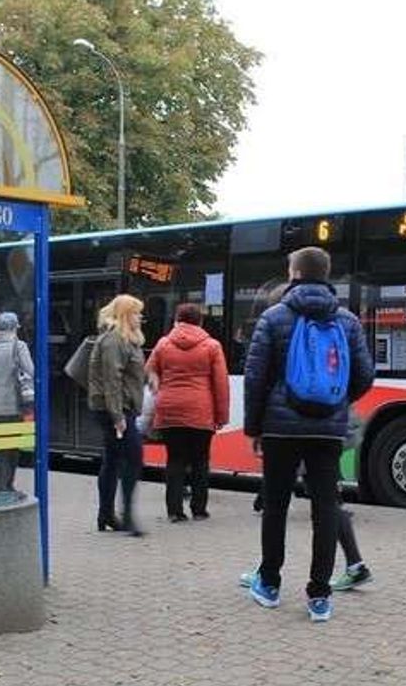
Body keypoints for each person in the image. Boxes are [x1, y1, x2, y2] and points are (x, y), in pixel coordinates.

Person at [243, 247, 375, 622]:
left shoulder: (273, 317)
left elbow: (256, 378)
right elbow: (365, 374)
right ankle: (319, 596)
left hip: (280, 429)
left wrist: (255, 426)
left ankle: (269, 584)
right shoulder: (347, 321)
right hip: (328, 431)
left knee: (276, 506)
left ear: (295, 274)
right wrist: (336, 402)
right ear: (326, 274)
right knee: (326, 508)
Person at [144, 303, 229, 522]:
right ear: (200, 321)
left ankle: (174, 511)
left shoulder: (163, 344)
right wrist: (222, 416)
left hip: (170, 409)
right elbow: (221, 384)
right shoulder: (212, 346)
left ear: (177, 320)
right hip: (201, 410)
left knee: (175, 460)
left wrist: (158, 383)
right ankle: (199, 509)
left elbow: (149, 369)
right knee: (200, 460)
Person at [88, 294, 147, 536]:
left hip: (119, 408)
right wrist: (118, 417)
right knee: (133, 458)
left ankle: (106, 515)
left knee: (112, 461)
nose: (140, 316)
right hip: (116, 410)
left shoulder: (125, 340)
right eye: (135, 312)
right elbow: (112, 380)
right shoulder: (114, 340)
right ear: (125, 315)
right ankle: (127, 516)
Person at [0, 312, 35, 492]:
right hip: (12, 405)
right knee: (11, 450)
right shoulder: (18, 346)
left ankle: (4, 485)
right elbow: (30, 371)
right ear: (14, 328)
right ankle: (5, 487)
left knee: (1, 450)